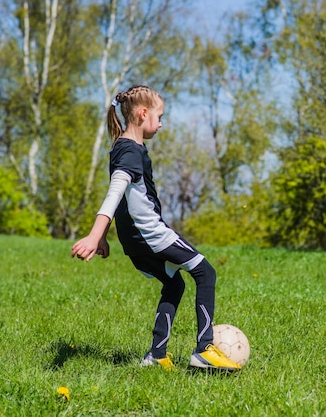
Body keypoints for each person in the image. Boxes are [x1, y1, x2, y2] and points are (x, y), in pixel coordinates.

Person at [71, 85, 240, 371]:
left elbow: (125, 197)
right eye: (159, 116)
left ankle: (156, 356)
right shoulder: (131, 151)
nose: (161, 123)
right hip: (151, 233)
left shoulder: (122, 148)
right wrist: (95, 234)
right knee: (205, 272)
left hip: (134, 240)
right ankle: (204, 349)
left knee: (174, 284)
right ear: (142, 113)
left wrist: (106, 236)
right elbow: (115, 192)